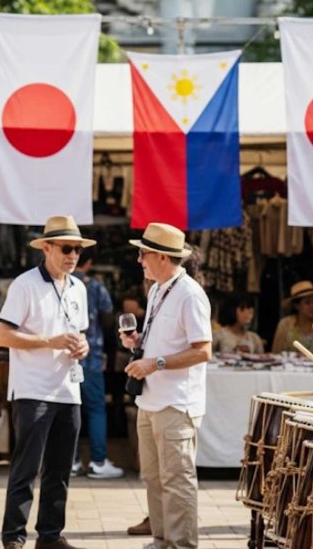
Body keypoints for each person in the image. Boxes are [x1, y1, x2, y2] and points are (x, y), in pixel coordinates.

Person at [0, 215, 92, 549]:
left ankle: (50, 535)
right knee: (27, 468)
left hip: (68, 388)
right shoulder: (24, 284)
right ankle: (14, 537)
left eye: (77, 250)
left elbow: (80, 332)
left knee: (60, 469)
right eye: (66, 248)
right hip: (33, 388)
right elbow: (3, 335)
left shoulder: (79, 287)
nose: (73, 256)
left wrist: (83, 345)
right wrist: (48, 341)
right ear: (47, 248)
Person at [121, 223, 212, 549]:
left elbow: (203, 350)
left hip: (176, 401)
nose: (139, 259)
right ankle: (162, 540)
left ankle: (181, 545)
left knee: (177, 480)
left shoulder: (190, 294)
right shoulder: (158, 289)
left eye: (143, 253)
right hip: (153, 399)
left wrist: (154, 363)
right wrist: (139, 342)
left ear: (161, 256)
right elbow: (166, 341)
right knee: (155, 478)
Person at [70, 246, 123, 479]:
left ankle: (70, 461)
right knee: (96, 410)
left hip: (65, 356)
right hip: (91, 357)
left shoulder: (60, 284)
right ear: (89, 263)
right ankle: (98, 461)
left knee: (69, 409)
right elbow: (109, 320)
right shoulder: (96, 287)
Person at [271, 280, 313, 354]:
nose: (312, 306)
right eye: (307, 303)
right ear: (297, 305)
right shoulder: (285, 324)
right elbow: (276, 353)